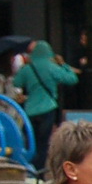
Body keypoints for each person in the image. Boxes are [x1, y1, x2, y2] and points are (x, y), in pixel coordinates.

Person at [13, 42, 78, 170]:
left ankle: (27, 168)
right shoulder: (52, 67)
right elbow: (72, 79)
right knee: (43, 144)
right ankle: (39, 171)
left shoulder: (28, 68)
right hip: (48, 108)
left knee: (30, 142)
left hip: (30, 110)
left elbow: (16, 82)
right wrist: (63, 65)